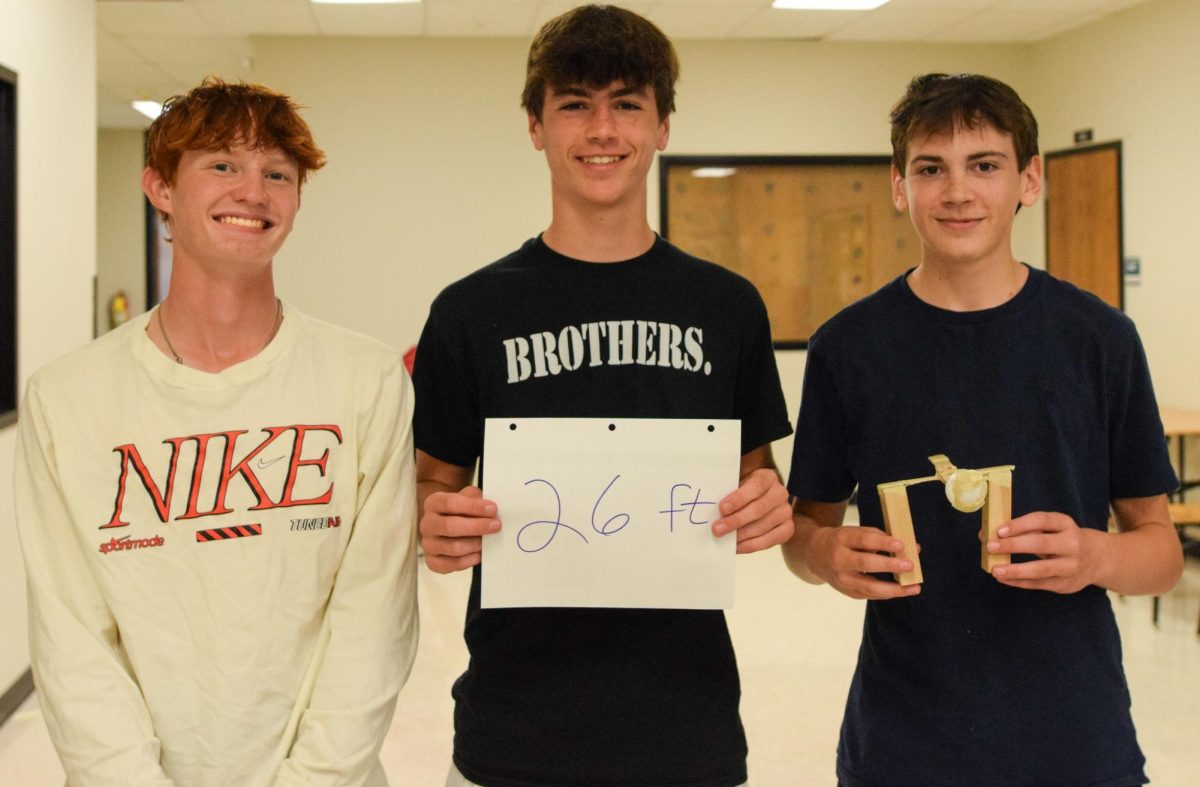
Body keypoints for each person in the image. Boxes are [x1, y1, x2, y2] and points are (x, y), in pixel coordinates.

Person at [412, 6, 794, 786]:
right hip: (512, 732)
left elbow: (759, 475)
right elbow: (430, 488)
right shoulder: (470, 309)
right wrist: (435, 524)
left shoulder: (727, 305)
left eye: (627, 103)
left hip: (686, 730)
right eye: (574, 104)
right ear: (535, 126)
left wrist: (766, 505)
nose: (602, 129)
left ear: (662, 126)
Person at [14, 77, 419, 786]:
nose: (253, 191)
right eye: (222, 165)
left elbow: (374, 619)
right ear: (160, 188)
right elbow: (72, 635)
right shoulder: (68, 398)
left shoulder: (366, 381)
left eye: (277, 173)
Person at [783, 72, 1183, 787]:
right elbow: (805, 533)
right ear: (899, 186)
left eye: (985, 166)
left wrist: (1093, 557)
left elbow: (1161, 550)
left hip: (1073, 741)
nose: (957, 191)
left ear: (1029, 180)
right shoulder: (847, 346)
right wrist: (825, 553)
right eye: (931, 168)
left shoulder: (1099, 338)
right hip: (903, 744)